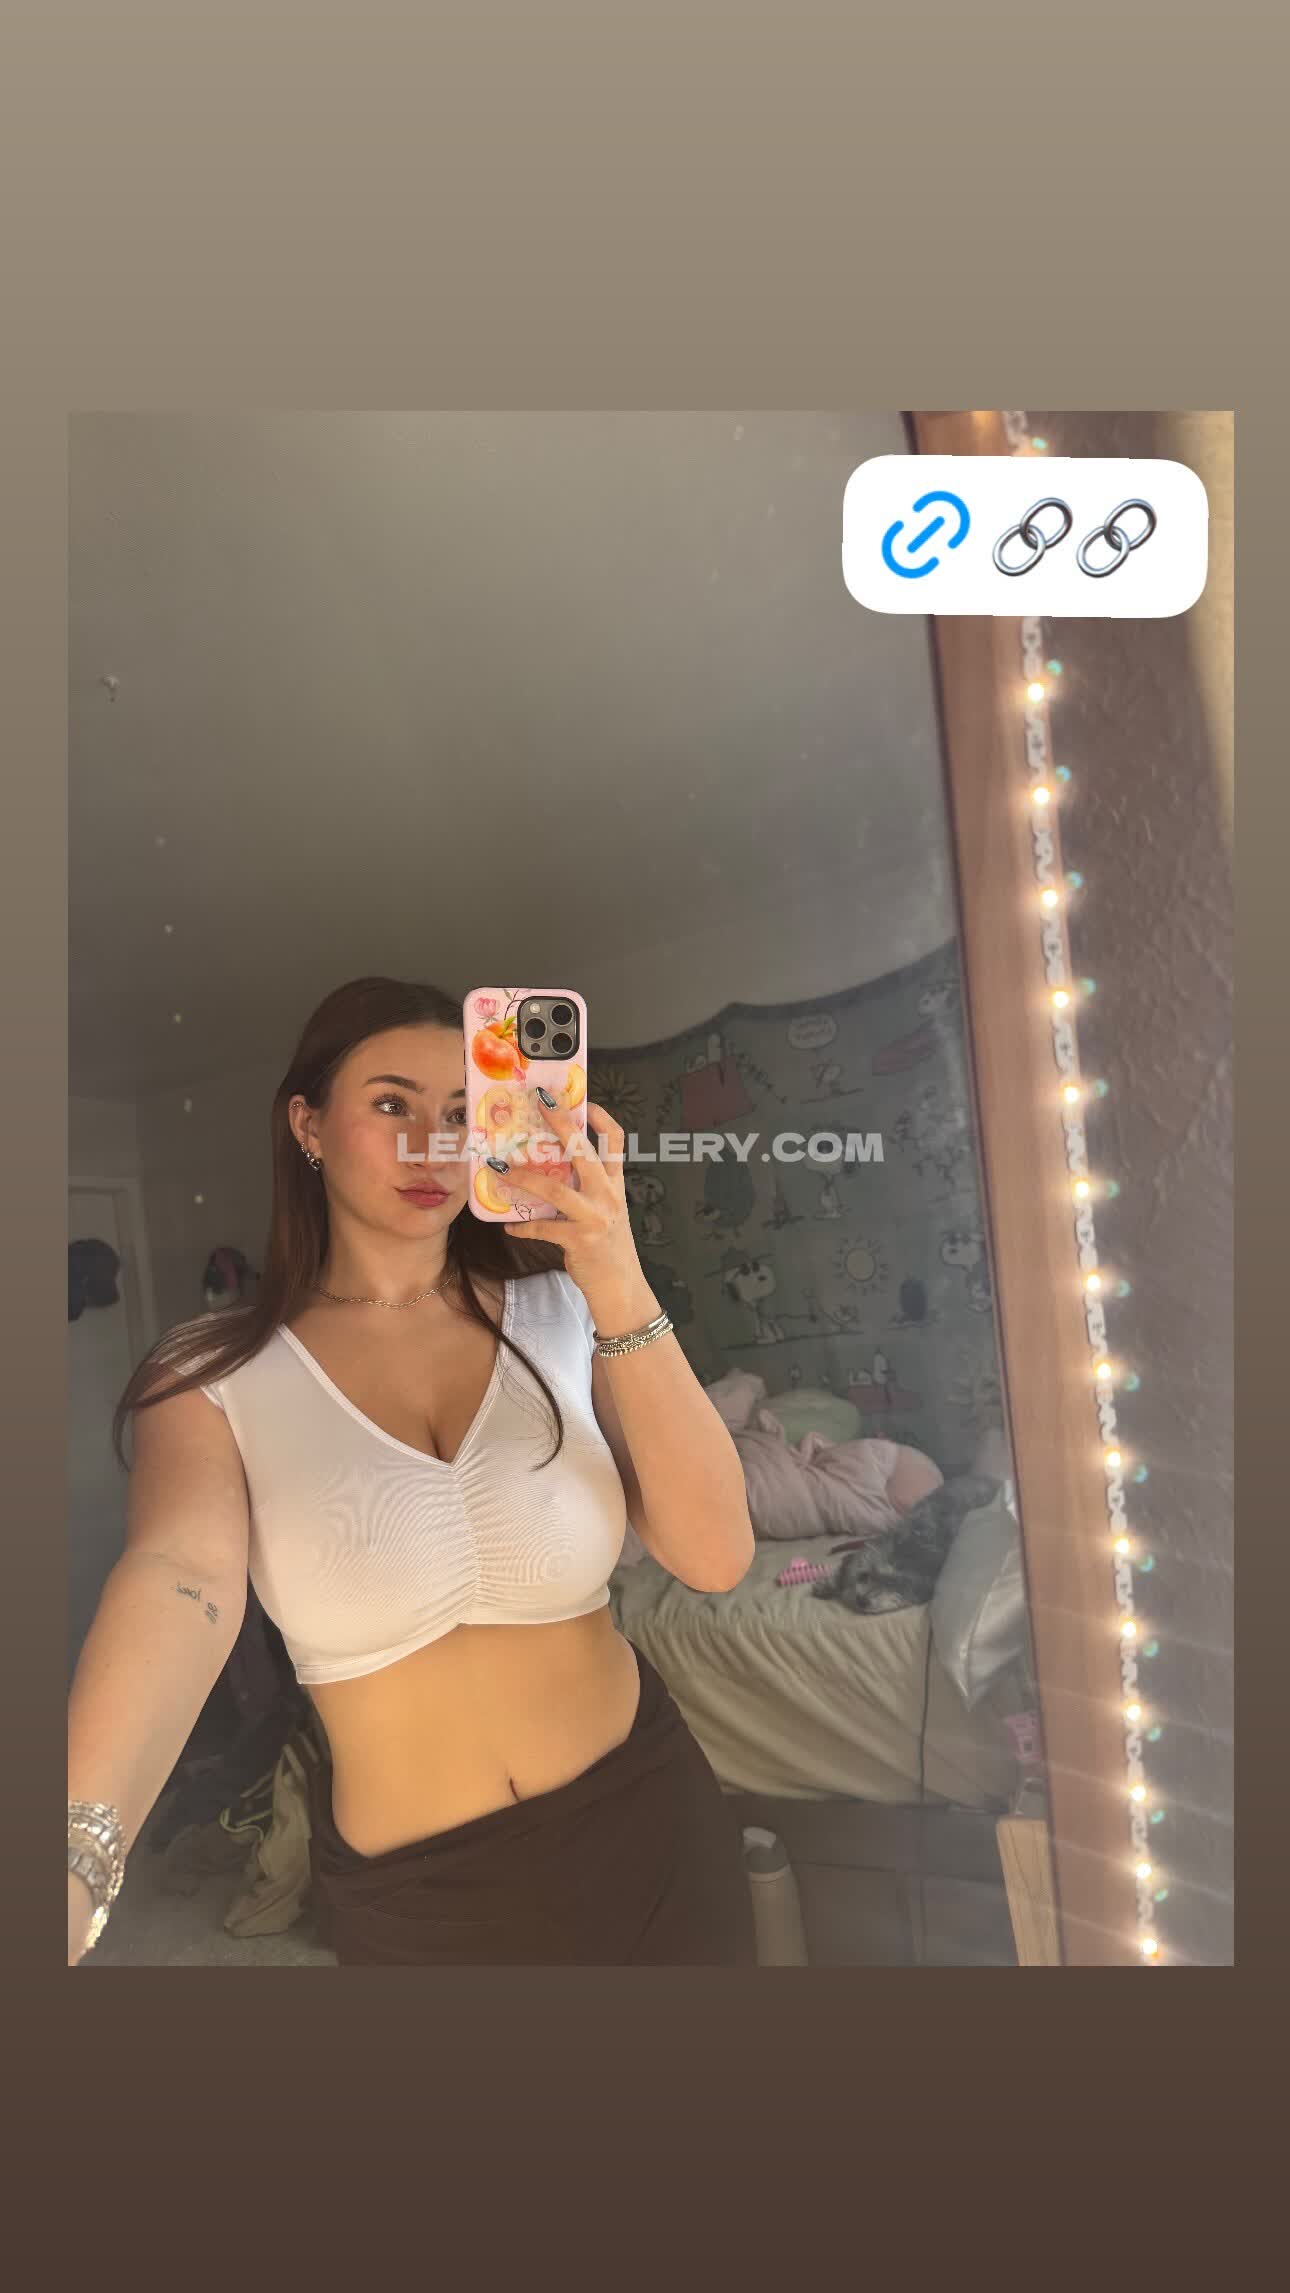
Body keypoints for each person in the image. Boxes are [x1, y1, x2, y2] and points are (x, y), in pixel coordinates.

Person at [67, 976, 757, 1966]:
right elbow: (178, 1579)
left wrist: (618, 1280)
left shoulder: (569, 1311)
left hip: (650, 1823)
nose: (434, 1141)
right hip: (420, 1901)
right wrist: (76, 1857)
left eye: (465, 1113)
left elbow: (717, 1556)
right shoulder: (212, 1373)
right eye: (393, 1103)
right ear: (308, 1125)